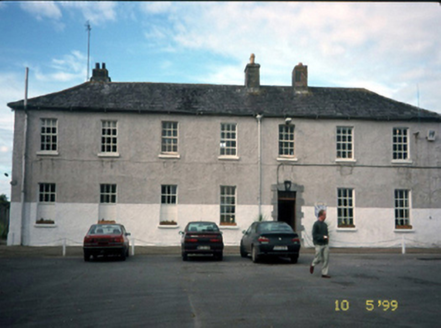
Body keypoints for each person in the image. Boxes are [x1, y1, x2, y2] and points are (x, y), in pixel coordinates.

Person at [310, 209, 331, 278]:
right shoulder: (316, 224)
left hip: (325, 244)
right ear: (321, 215)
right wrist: (323, 237)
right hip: (318, 244)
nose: (325, 216)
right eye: (324, 215)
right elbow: (315, 235)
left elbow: (326, 234)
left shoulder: (325, 225)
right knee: (318, 257)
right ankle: (313, 264)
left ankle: (324, 273)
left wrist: (327, 238)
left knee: (326, 258)